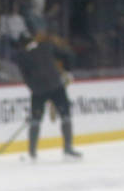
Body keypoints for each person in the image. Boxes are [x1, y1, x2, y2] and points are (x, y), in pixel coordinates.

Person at [13, 29, 80, 159]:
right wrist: (67, 70)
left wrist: (34, 88)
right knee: (65, 115)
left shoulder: (22, 55)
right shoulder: (46, 46)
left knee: (35, 120)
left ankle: (32, 152)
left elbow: (25, 76)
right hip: (56, 86)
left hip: (38, 90)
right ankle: (68, 148)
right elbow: (68, 55)